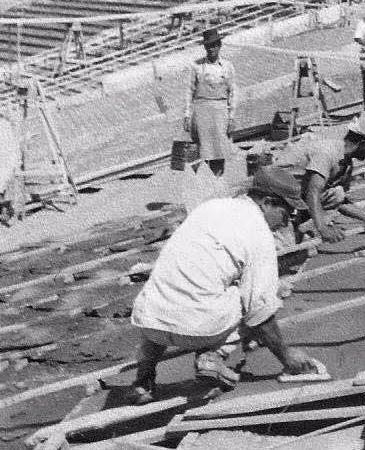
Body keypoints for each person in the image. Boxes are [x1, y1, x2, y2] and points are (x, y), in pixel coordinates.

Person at [126, 166, 321, 405]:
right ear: (267, 203)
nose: (287, 221)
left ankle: (143, 380)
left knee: (169, 289)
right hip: (196, 330)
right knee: (250, 297)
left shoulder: (211, 207)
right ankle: (212, 356)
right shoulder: (259, 234)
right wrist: (287, 356)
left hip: (148, 321)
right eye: (286, 212)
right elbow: (259, 310)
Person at [275, 115, 365, 244]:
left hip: (295, 195)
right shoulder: (328, 152)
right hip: (275, 194)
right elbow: (313, 192)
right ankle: (287, 229)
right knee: (286, 246)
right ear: (361, 144)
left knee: (337, 193)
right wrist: (322, 228)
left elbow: (339, 201)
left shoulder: (345, 164)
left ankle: (297, 226)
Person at [183, 28, 236, 177]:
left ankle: (218, 177)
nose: (211, 49)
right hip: (202, 111)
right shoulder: (197, 66)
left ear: (219, 46)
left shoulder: (227, 66)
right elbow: (189, 91)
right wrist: (187, 115)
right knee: (203, 149)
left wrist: (232, 117)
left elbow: (233, 92)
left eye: (214, 45)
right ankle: (204, 180)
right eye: (208, 46)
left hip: (220, 111)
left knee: (220, 148)